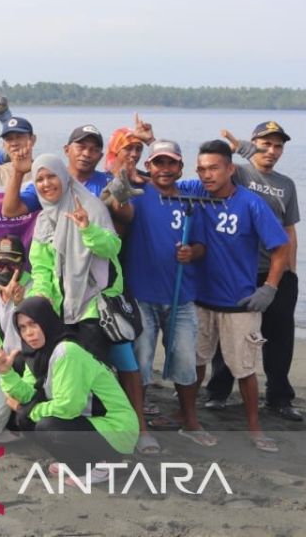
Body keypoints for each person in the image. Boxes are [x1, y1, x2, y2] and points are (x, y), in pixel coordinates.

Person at [20, 154, 150, 450]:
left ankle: (98, 435)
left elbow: (111, 247)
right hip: (59, 310)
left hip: (92, 306)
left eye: (51, 176)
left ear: (64, 177)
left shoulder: (89, 206)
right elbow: (40, 267)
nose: (45, 183)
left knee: (93, 372)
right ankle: (66, 429)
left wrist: (86, 229)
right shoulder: (43, 219)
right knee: (60, 369)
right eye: (39, 179)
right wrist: (41, 295)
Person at [189, 140, 289, 452]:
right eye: (202, 169)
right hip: (201, 300)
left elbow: (280, 247)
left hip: (239, 304)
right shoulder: (196, 192)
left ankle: (255, 428)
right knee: (195, 363)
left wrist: (270, 287)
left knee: (244, 368)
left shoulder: (251, 203)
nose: (207, 174)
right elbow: (160, 179)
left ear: (231, 169)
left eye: (214, 168)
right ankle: (188, 417)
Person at [116, 140, 216, 447]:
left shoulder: (190, 200)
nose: (165, 169)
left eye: (171, 164)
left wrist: (192, 252)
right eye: (158, 163)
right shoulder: (139, 194)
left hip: (181, 298)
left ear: (180, 168)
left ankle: (190, 419)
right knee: (141, 361)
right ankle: (139, 425)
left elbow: (202, 245)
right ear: (149, 167)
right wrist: (121, 178)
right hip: (142, 296)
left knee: (186, 360)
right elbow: (120, 211)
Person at [204, 122, 302, 421]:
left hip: (275, 272)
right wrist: (244, 153)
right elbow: (211, 171)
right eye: (265, 144)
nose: (271, 151)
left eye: (278, 146)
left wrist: (291, 273)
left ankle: (279, 398)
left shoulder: (286, 184)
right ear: (252, 143)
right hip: (240, 272)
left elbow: (289, 230)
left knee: (279, 337)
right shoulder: (240, 174)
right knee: (229, 334)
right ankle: (218, 393)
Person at [0, 298, 139, 484]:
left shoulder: (67, 351)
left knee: (46, 425)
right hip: (88, 420)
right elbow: (29, 395)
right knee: (26, 419)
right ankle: (80, 464)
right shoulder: (37, 354)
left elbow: (68, 407)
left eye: (33, 324)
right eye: (22, 327)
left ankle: (109, 464)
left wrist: (27, 410)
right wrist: (6, 373)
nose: (29, 333)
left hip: (117, 428)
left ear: (46, 321)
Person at [1, 125, 113, 218]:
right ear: (66, 150)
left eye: (94, 150)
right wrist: (18, 173)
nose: (86, 154)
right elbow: (11, 212)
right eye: (81, 147)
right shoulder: (50, 182)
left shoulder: (108, 184)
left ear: (100, 156)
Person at [0, 234, 29, 356]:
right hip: (3, 365)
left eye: (11, 265)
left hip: (32, 360)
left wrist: (20, 303)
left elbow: (44, 330)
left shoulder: (38, 288)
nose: (5, 270)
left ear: (22, 265)